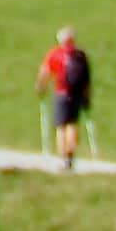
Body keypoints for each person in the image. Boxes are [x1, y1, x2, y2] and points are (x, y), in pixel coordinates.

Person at [38, 27, 92, 171]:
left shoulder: (56, 54)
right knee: (72, 124)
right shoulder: (80, 55)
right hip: (77, 94)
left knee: (61, 126)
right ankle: (71, 155)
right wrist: (87, 97)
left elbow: (46, 71)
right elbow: (87, 80)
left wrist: (40, 86)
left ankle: (63, 157)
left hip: (61, 94)